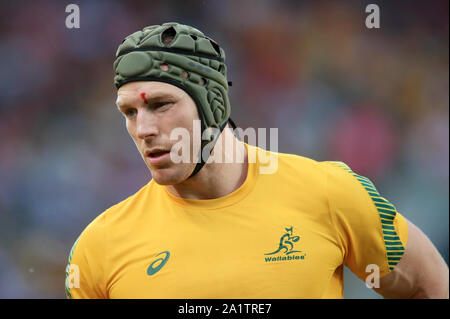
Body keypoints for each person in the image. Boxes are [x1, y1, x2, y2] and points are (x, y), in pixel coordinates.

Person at [65, 22, 448, 299]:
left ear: (213, 105)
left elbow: (427, 285)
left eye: (161, 105)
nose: (143, 129)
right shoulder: (99, 248)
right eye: (129, 112)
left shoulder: (330, 193)